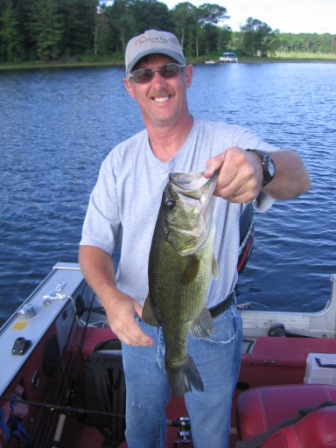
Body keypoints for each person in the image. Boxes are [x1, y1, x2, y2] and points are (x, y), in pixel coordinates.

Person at [79, 30, 310, 448]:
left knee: (210, 435)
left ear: (187, 75)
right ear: (130, 88)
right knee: (139, 430)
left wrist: (262, 168)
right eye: (144, 75)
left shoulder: (227, 143)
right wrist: (111, 299)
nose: (158, 83)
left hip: (213, 325)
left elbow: (301, 176)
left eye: (167, 70)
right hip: (140, 324)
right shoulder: (118, 161)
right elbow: (92, 246)